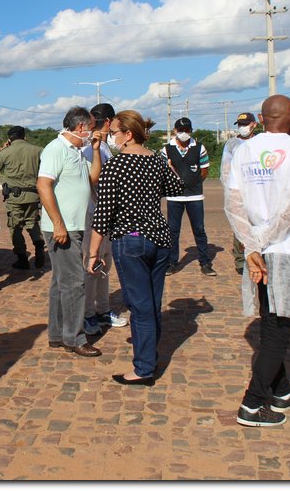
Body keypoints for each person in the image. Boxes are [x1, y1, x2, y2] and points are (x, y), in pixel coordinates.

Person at [224, 94, 290, 427]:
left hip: (257, 250)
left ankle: (281, 390)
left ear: (262, 120)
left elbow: (233, 203)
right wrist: (263, 241)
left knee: (270, 320)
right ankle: (252, 404)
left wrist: (252, 245)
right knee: (279, 330)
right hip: (289, 249)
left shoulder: (242, 150)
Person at [88, 110, 183, 384]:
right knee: (151, 303)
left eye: (114, 133)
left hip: (131, 240)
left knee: (140, 306)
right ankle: (148, 355)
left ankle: (143, 369)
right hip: (160, 239)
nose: (112, 138)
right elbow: (177, 188)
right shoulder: (156, 161)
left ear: (128, 135)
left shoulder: (116, 166)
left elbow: (103, 213)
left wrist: (93, 252)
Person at [37, 106, 102, 357]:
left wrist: (95, 151)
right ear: (81, 127)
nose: (94, 132)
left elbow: (92, 178)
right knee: (74, 284)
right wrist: (58, 223)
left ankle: (58, 335)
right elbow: (43, 185)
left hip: (73, 226)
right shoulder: (56, 149)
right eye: (92, 127)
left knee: (61, 283)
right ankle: (75, 338)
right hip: (63, 228)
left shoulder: (77, 150)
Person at [82, 103, 129, 334]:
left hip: (106, 215)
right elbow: (94, 182)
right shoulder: (90, 147)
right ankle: (88, 314)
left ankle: (102, 310)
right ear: (109, 122)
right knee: (92, 265)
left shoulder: (104, 148)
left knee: (104, 265)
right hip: (92, 215)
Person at [160, 117, 216, 276]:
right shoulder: (167, 149)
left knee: (199, 230)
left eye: (187, 130)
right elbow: (164, 172)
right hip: (174, 198)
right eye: (180, 130)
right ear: (175, 131)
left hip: (195, 196)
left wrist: (194, 183)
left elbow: (204, 170)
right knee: (173, 231)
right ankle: (172, 262)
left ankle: (205, 262)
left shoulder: (199, 147)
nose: (183, 133)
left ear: (191, 131)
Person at [0, 125, 46, 270]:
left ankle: (22, 259)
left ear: (9, 138)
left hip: (14, 197)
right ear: (24, 136)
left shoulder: (5, 152)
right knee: (32, 223)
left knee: (15, 227)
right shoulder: (38, 150)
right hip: (33, 195)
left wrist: (3, 151)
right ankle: (39, 247)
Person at [220, 112, 258, 275]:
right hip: (238, 192)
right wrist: (231, 192)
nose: (243, 128)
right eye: (240, 125)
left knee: (258, 225)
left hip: (257, 191)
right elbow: (225, 169)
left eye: (246, 124)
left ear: (254, 124)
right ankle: (241, 260)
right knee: (240, 227)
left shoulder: (260, 142)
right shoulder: (232, 144)